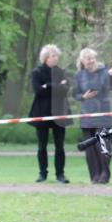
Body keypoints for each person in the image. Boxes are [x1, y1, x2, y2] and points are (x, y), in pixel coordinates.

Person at [28, 44, 72, 184]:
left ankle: (60, 174)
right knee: (42, 145)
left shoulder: (62, 71)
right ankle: (42, 174)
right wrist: (56, 85)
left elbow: (65, 90)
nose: (56, 58)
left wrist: (48, 85)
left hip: (60, 111)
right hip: (42, 111)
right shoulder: (37, 72)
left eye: (57, 56)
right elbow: (38, 91)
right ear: (46, 57)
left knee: (60, 146)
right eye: (53, 56)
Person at [74, 47, 112, 184]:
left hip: (103, 113)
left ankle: (105, 174)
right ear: (82, 61)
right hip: (87, 116)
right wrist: (83, 96)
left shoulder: (105, 71)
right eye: (87, 59)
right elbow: (75, 95)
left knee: (103, 145)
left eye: (92, 58)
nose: (91, 61)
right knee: (90, 148)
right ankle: (95, 176)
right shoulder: (79, 75)